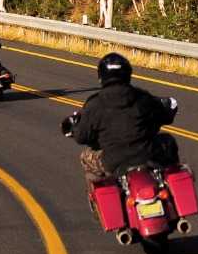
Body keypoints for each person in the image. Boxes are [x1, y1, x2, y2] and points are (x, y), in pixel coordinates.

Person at [61, 52, 180, 191]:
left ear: (101, 77)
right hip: (147, 154)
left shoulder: (95, 104)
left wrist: (74, 128)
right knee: (168, 140)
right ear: (128, 74)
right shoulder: (142, 97)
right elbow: (165, 115)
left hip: (112, 162)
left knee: (86, 157)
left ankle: (102, 201)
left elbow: (82, 136)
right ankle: (172, 186)